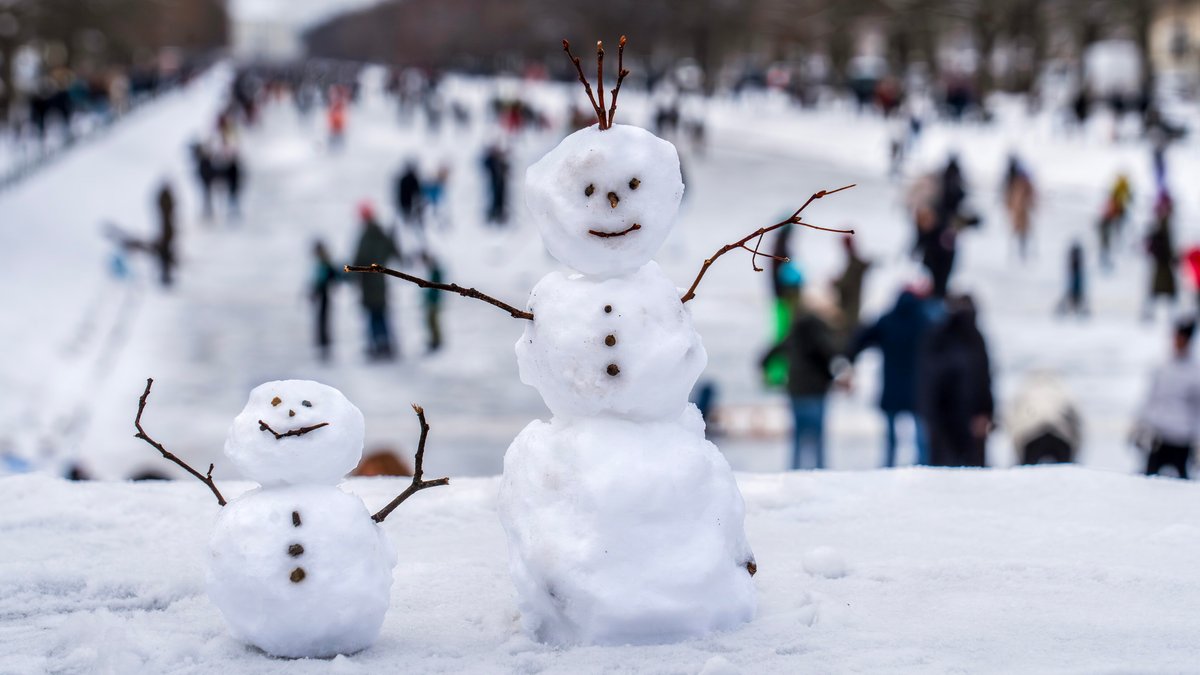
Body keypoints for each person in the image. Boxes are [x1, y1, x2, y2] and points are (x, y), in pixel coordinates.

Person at [847, 288, 936, 467]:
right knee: (920, 436)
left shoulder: (888, 320)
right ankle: (924, 466)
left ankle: (888, 466)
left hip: (892, 388)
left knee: (890, 438)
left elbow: (861, 338)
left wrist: (849, 356)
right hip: (916, 389)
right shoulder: (924, 322)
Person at [761, 288, 840, 470]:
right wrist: (830, 378)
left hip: (795, 391)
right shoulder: (820, 329)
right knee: (818, 439)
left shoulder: (794, 330)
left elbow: (767, 355)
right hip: (816, 392)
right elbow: (830, 355)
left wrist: (769, 377)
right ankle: (821, 475)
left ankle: (794, 473)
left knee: (798, 438)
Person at [919, 294, 994, 467]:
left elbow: (926, 380)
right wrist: (986, 412)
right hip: (961, 419)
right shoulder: (970, 338)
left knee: (945, 475)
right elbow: (983, 380)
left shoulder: (937, 335)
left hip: (946, 419)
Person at [1131, 319, 1200, 479]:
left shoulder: (1195, 373)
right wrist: (1140, 425)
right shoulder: (1163, 367)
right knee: (1148, 482)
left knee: (1181, 488)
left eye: (1180, 338)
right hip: (1159, 438)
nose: (1176, 341)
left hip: (1182, 440)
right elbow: (1151, 399)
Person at [351, 202, 401, 360]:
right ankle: (386, 345)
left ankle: (378, 346)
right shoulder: (381, 234)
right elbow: (393, 251)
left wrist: (351, 275)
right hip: (380, 284)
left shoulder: (366, 237)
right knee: (382, 316)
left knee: (374, 317)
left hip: (369, 285)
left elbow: (359, 260)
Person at [1008, 372, 1081, 465]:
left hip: (1031, 436)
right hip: (1060, 435)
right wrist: (1075, 450)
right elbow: (1077, 420)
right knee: (1065, 469)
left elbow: (1011, 419)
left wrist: (1018, 451)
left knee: (1027, 470)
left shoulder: (1026, 390)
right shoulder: (1063, 389)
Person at [832, 234, 870, 347]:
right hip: (850, 307)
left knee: (847, 339)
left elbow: (845, 284)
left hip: (849, 309)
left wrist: (835, 282)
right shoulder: (853, 261)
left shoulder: (854, 263)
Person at [1144, 191, 1177, 321]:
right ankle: (1152, 313)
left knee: (1160, 288)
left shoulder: (1162, 221)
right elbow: (1165, 241)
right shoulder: (1163, 222)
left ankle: (1154, 313)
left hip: (1162, 260)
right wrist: (1170, 255)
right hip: (1163, 260)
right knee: (1163, 287)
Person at [310, 240, 339, 361]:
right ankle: (323, 341)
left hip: (324, 294)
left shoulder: (324, 262)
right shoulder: (325, 261)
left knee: (323, 318)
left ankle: (324, 342)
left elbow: (322, 279)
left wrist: (315, 291)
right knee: (323, 318)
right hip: (324, 293)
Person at [1003, 155, 1036, 261]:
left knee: (1023, 234)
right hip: (1018, 213)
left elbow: (1032, 197)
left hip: (1022, 213)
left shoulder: (1025, 184)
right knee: (1016, 232)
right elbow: (1011, 197)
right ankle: (1014, 253)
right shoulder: (1016, 183)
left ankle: (1022, 253)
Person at [1057, 242, 1088, 316]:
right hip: (1075, 284)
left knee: (1075, 292)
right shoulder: (1075, 265)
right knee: (1074, 292)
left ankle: (1072, 307)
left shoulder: (1077, 266)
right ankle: (1070, 307)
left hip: (1076, 284)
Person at [154, 181, 176, 286]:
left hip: (166, 233)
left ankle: (166, 277)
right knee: (165, 258)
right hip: (166, 235)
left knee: (166, 259)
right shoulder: (165, 218)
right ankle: (165, 278)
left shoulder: (166, 216)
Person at [481, 143, 510, 225]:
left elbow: (507, 169)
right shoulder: (491, 161)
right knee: (493, 199)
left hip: (501, 184)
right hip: (493, 184)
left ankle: (499, 216)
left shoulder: (501, 161)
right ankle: (492, 215)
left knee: (501, 200)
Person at [421, 252, 444, 352]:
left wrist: (431, 298)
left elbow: (435, 288)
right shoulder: (433, 272)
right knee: (431, 321)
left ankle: (436, 341)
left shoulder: (436, 272)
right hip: (432, 301)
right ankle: (434, 339)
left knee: (433, 321)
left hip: (434, 302)